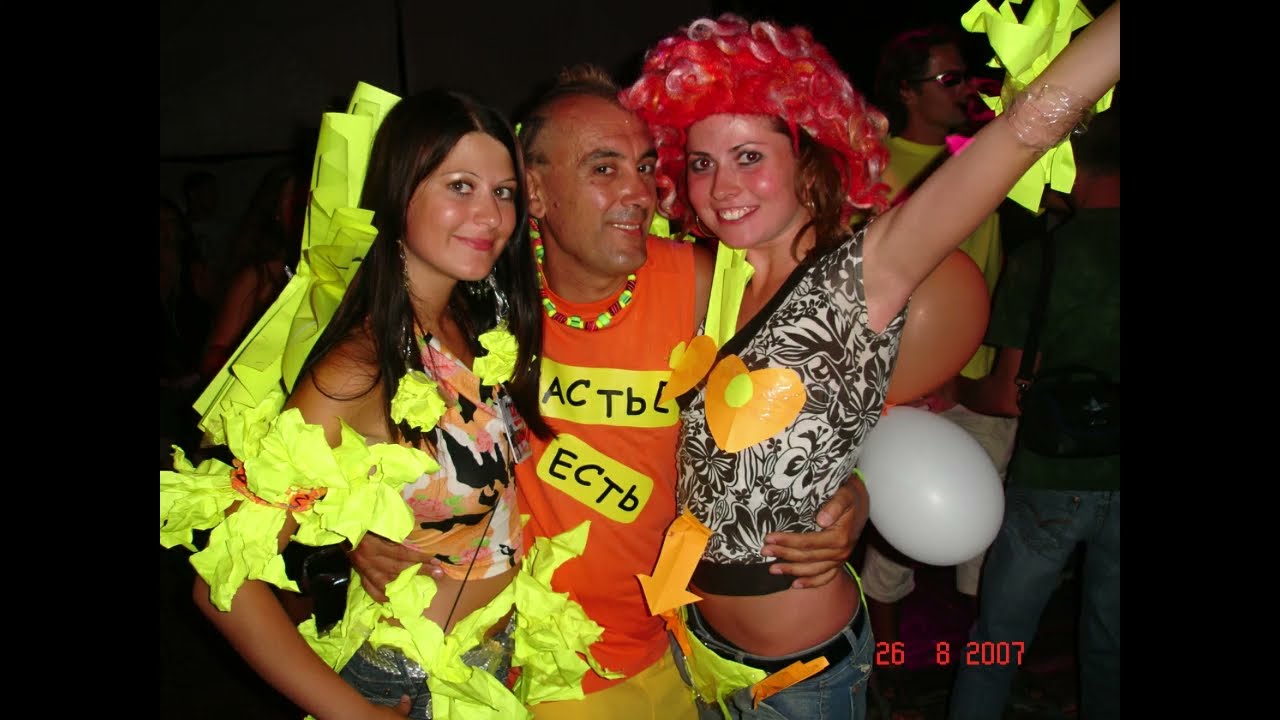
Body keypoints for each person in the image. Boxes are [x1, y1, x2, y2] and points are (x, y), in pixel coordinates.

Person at [618, 4, 1119, 718]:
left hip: (797, 679)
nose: (722, 187)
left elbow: (1023, 131)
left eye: (750, 156)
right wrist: (852, 490)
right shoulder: (717, 282)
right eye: (703, 163)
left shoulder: (861, 274)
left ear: (807, 156)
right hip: (698, 648)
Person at [349, 65, 871, 720]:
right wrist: (353, 528)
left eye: (645, 166)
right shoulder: (482, 301)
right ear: (535, 192)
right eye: (603, 169)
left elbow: (829, 396)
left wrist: (854, 492)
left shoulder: (710, 285)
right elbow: (324, 429)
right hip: (558, 667)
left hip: (691, 643)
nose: (640, 192)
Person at [165, 87, 566, 720]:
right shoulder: (357, 367)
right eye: (460, 186)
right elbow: (224, 585)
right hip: (409, 685)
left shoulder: (471, 320)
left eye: (503, 192)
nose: (490, 216)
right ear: (399, 192)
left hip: (494, 664)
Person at [947, 106, 1121, 720]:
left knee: (997, 641)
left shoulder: (1045, 257)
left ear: (1075, 166)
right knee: (1111, 645)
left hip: (1052, 477)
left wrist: (955, 388)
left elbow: (1005, 395)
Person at [859, 24, 1020, 651]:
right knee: (894, 537)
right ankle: (886, 666)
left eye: (966, 77)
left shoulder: (980, 154)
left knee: (986, 533)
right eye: (948, 79)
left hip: (978, 375)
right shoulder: (872, 167)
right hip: (908, 382)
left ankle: (985, 670)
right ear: (907, 91)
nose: (965, 89)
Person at [199, 161, 309, 381]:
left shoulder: (327, 271)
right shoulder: (257, 275)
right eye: (292, 199)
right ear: (275, 211)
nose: (302, 207)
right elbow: (211, 359)